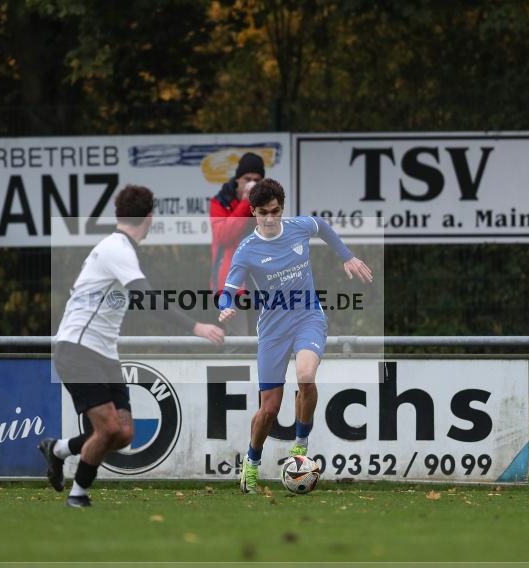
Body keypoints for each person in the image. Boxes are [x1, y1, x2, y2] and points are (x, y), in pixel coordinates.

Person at [41, 185, 225, 508]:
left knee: (123, 433)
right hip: (78, 350)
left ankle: (58, 449)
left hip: (105, 353)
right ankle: (78, 495)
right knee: (108, 428)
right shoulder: (117, 248)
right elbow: (146, 297)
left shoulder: (120, 248)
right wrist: (196, 326)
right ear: (149, 218)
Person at [217, 178, 373, 494]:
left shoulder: (298, 228)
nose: (270, 218)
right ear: (253, 212)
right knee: (269, 409)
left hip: (308, 318)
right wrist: (226, 306)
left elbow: (322, 227)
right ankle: (251, 462)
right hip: (273, 330)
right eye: (263, 213)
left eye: (275, 211)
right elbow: (228, 290)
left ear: (282, 208)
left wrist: (347, 256)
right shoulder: (247, 250)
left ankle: (300, 446)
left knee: (305, 376)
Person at [209, 152, 265, 338]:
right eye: (247, 179)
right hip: (230, 285)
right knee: (237, 342)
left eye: (257, 180)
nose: (252, 183)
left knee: (264, 339)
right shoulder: (220, 202)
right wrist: (245, 203)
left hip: (260, 284)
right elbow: (224, 236)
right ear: (238, 179)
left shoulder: (266, 204)